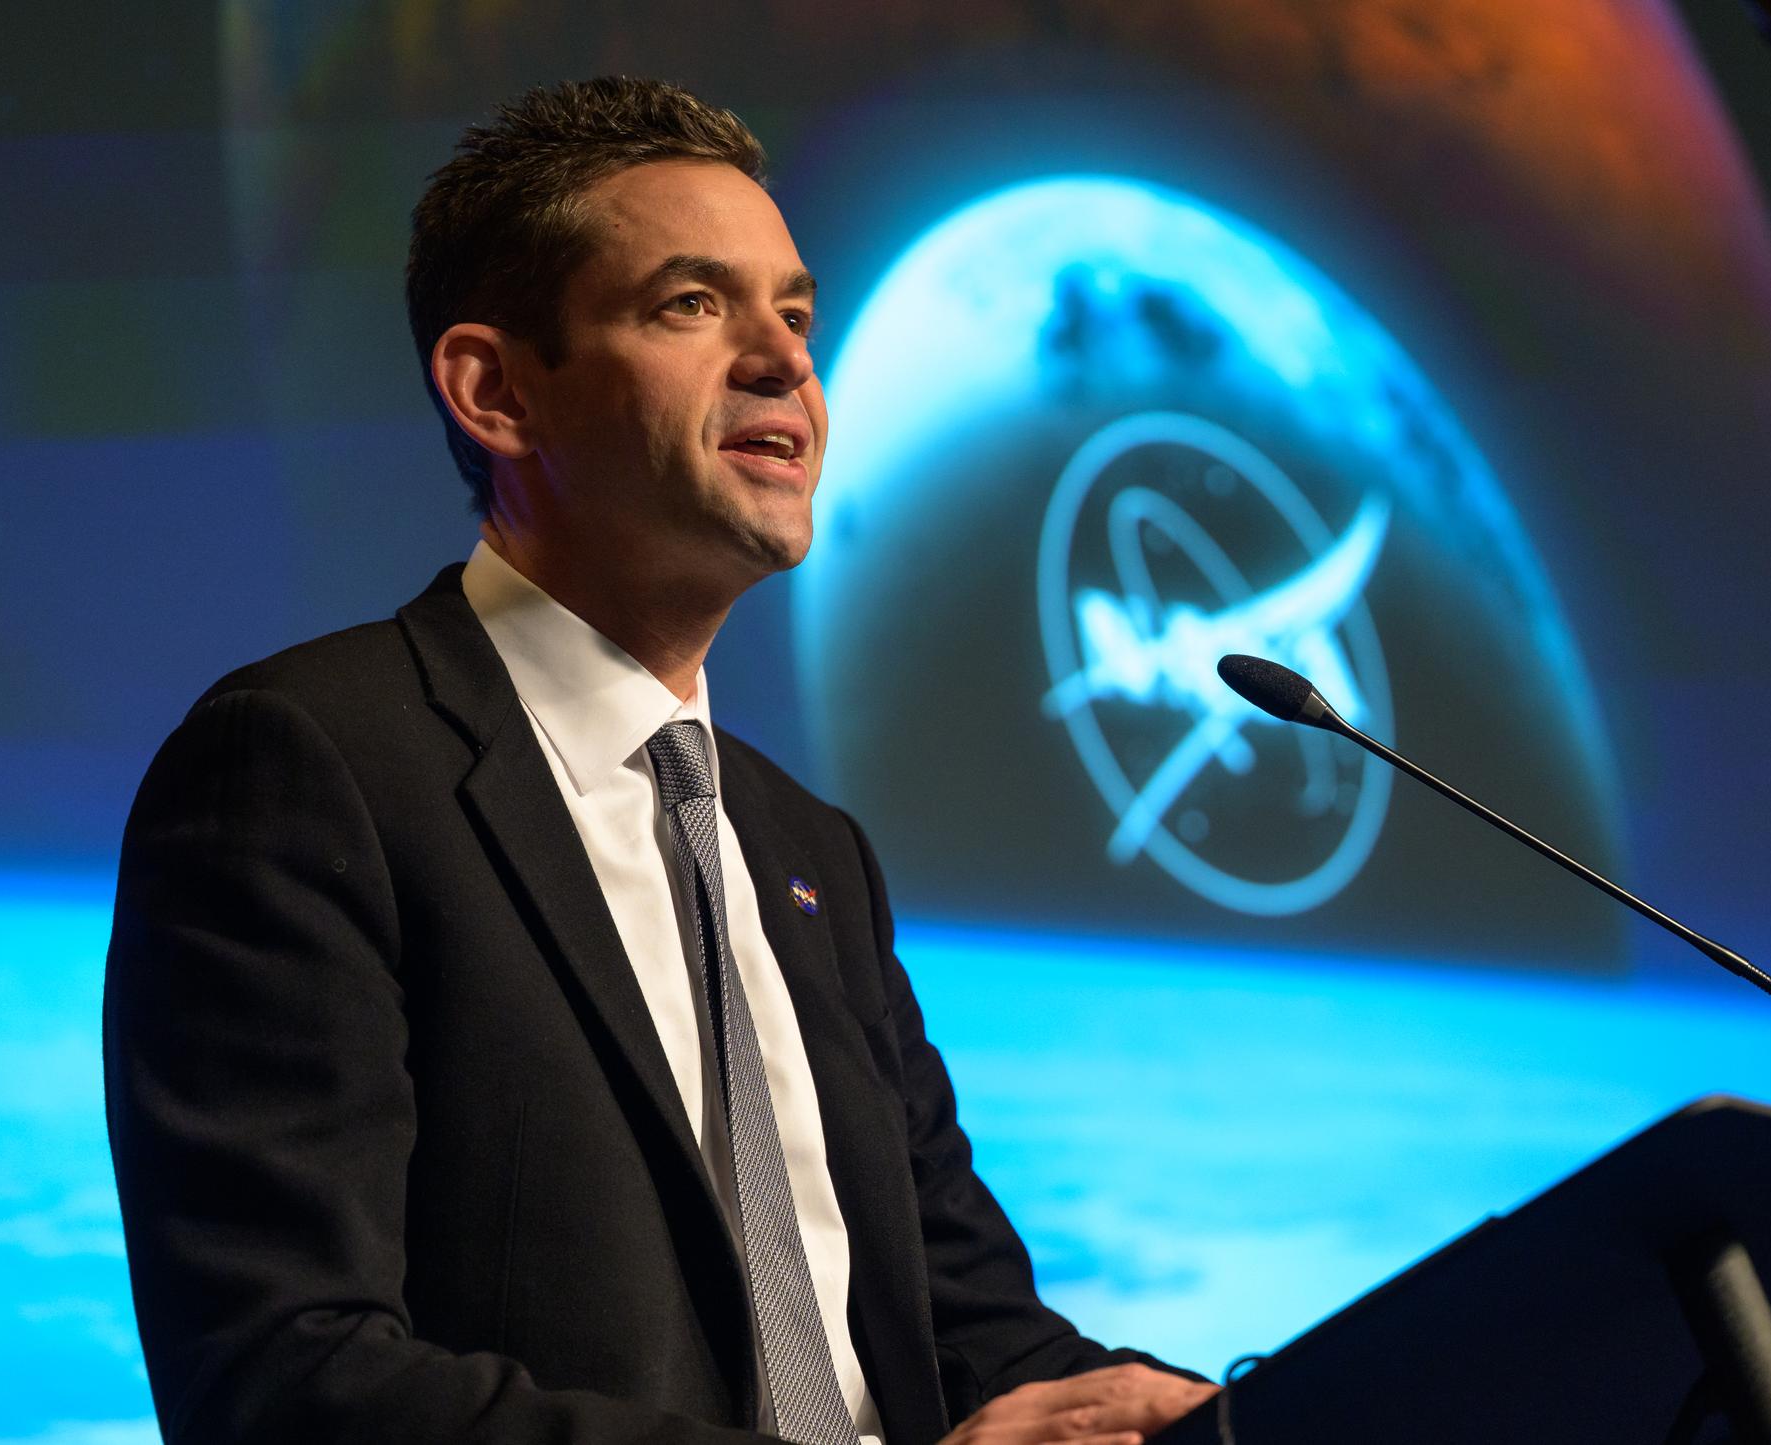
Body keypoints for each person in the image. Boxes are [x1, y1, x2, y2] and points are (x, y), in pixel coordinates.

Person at [104, 76, 1218, 1445]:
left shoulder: (808, 851)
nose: (785, 362)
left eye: (795, 313)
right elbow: (283, 1381)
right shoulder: (309, 764)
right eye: (693, 304)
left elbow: (965, 1327)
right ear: (496, 390)